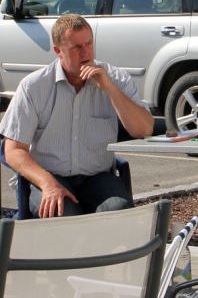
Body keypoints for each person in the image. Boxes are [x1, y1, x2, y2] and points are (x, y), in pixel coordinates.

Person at [0, 14, 153, 219]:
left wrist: (110, 89)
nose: (86, 52)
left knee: (119, 211)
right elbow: (13, 151)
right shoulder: (34, 87)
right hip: (50, 175)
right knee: (63, 214)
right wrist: (46, 182)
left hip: (97, 176)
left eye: (89, 43)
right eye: (76, 47)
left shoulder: (115, 78)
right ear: (58, 52)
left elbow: (144, 129)